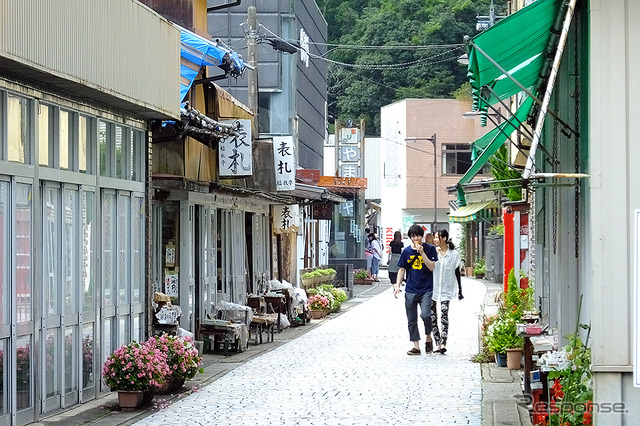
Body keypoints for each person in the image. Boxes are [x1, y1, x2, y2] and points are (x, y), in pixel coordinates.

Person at [393, 224, 438, 355]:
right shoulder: (406, 251)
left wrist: (422, 252)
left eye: (418, 235)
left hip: (427, 289)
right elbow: (402, 269)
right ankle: (416, 346)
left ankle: (428, 337)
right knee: (411, 319)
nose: (416, 238)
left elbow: (432, 267)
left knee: (426, 315)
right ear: (410, 238)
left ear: (422, 236)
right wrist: (397, 285)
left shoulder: (430, 249)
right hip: (411, 289)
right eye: (413, 236)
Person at [431, 229, 463, 354]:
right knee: (432, 316)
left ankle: (444, 343)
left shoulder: (454, 255)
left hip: (446, 289)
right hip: (433, 289)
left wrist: (460, 290)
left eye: (436, 237)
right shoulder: (433, 253)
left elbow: (457, 273)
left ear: (443, 238)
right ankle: (437, 343)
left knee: (444, 315)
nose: (435, 240)